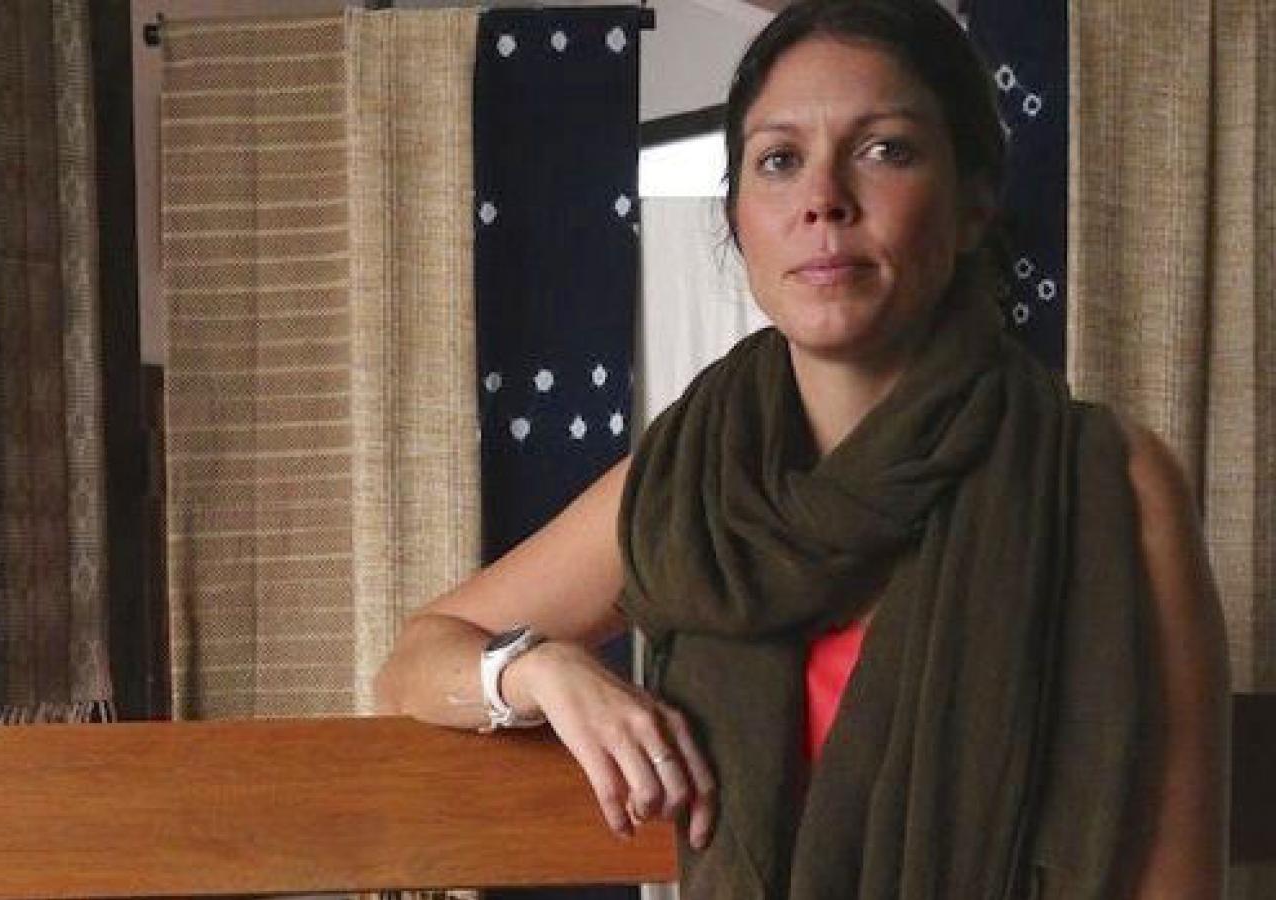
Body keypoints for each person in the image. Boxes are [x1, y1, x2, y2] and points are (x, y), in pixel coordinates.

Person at [374, 1, 1229, 897]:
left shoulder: (1109, 486)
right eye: (779, 160)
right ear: (740, 219)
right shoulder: (688, 489)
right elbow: (412, 666)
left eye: (884, 149)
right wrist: (537, 669)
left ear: (974, 199)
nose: (823, 198)